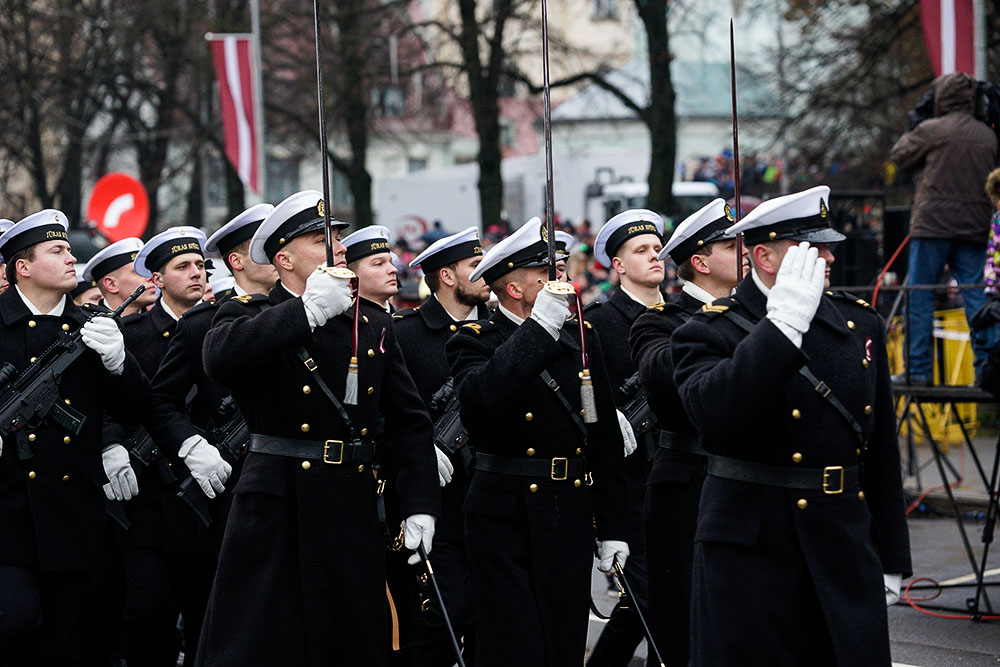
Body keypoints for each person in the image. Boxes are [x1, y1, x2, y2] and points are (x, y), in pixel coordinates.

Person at [196, 190, 439, 667]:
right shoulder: (249, 314)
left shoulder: (371, 323)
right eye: (319, 238)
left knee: (349, 642)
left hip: (349, 504)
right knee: (266, 644)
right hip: (278, 506)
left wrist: (420, 505)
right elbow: (219, 357)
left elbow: (410, 424)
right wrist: (305, 312)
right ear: (283, 258)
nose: (339, 246)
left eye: (338, 235)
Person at [671, 186, 911, 665]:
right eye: (812, 248)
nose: (826, 257)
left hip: (842, 541)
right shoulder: (708, 329)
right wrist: (780, 328)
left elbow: (878, 446)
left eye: (827, 247)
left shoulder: (856, 323)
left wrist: (892, 555)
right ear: (763, 256)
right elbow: (714, 414)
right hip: (754, 555)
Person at [446, 217, 629, 667]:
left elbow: (601, 435)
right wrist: (540, 330)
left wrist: (614, 527)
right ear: (513, 289)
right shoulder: (474, 340)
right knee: (514, 643)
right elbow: (484, 397)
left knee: (563, 639)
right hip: (503, 514)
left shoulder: (582, 338)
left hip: (566, 507)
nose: (562, 281)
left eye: (563, 270)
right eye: (549, 275)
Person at [0, 210, 150, 666]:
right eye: (58, 250)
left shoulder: (94, 327)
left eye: (68, 248)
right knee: (15, 621)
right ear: (23, 267)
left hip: (75, 513)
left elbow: (135, 410)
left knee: (70, 639)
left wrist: (121, 364)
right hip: (7, 514)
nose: (72, 258)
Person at [628, 198, 743, 665]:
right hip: (688, 486)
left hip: (742, 484)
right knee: (681, 625)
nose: (745, 251)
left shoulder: (755, 315)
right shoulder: (660, 321)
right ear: (700, 262)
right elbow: (663, 376)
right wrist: (728, 322)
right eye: (731, 245)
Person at [112, 226, 218, 667]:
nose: (196, 273)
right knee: (149, 615)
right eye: (182, 267)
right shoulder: (131, 334)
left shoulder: (225, 326)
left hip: (208, 496)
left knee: (206, 620)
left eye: (200, 265)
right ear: (156, 280)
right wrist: (109, 444)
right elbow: (102, 402)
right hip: (149, 502)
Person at [148, 204, 278, 536]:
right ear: (236, 262)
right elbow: (162, 401)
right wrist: (192, 444)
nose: (276, 253)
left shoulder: (298, 313)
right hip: (230, 485)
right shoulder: (202, 323)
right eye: (263, 248)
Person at [394, 226, 491, 665]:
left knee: (490, 621)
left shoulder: (496, 331)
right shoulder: (405, 333)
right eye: (476, 266)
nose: (486, 272)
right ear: (447, 276)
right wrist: (416, 450)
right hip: (434, 502)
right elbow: (381, 412)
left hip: (490, 496)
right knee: (444, 617)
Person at [584, 209, 665, 666]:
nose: (655, 257)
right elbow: (583, 399)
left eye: (657, 249)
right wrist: (606, 415)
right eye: (641, 251)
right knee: (648, 598)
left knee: (663, 600)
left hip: (676, 474)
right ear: (617, 265)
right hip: (629, 482)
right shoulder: (599, 322)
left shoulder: (680, 316)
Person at [889, 71, 999, 384]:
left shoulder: (932, 130)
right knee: (978, 296)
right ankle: (986, 371)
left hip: (933, 226)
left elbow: (899, 155)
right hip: (975, 228)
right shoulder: (988, 136)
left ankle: (919, 371)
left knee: (920, 295)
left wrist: (918, 120)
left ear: (941, 98)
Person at [82, 237, 156, 316]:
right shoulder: (86, 324)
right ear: (111, 284)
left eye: (148, 271)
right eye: (138, 272)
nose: (150, 277)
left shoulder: (161, 323)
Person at [343, 225, 398, 311]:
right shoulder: (342, 323)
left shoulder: (403, 322)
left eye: (391, 263)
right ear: (351, 277)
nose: (393, 269)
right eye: (378, 264)